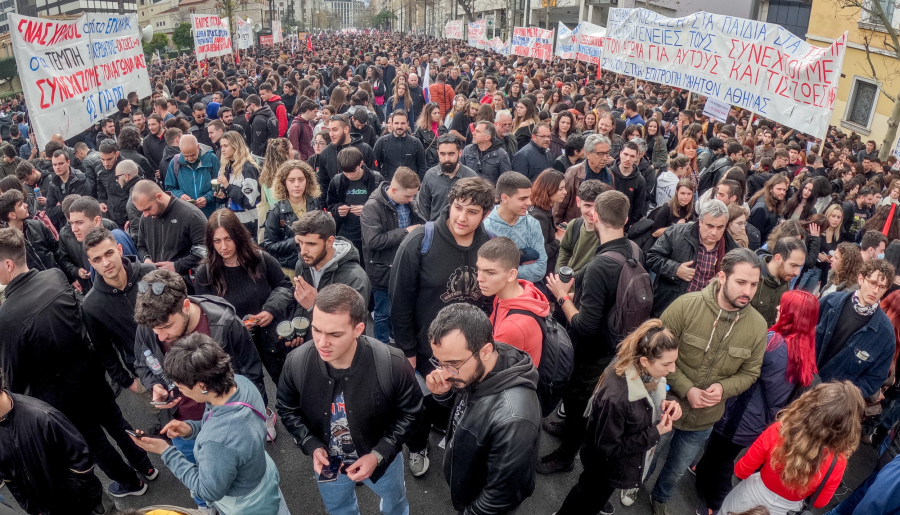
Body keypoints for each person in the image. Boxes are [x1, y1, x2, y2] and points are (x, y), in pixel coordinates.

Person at [0, 227, 156, 499]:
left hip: (60, 396)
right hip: (91, 373)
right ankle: (146, 466)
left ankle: (131, 483)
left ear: (8, 264)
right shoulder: (54, 276)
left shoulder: (6, 317)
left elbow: (14, 377)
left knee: (95, 443)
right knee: (117, 423)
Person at [276, 284, 423, 515]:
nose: (321, 342)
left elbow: (412, 412)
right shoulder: (297, 362)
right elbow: (286, 408)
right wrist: (310, 444)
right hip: (330, 462)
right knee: (339, 509)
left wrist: (380, 453)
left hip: (382, 461)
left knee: (395, 503)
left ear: (358, 329)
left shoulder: (391, 363)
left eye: (334, 334)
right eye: (316, 330)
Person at [648, 248, 767, 515]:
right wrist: (686, 388)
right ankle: (634, 485)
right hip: (665, 406)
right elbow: (654, 351)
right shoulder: (686, 306)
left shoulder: (758, 327)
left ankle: (661, 498)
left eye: (753, 284)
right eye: (741, 282)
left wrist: (724, 388)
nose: (747, 291)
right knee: (649, 455)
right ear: (722, 277)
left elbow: (750, 373)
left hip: (704, 420)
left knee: (677, 469)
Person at [390, 176, 496, 474]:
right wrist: (408, 351)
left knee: (454, 400)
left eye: (472, 212)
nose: (462, 217)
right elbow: (400, 301)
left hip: (467, 352)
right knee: (418, 406)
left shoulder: (488, 245)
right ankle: (417, 446)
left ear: (486, 214)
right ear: (450, 204)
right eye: (458, 207)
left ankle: (444, 430)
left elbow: (489, 298)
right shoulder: (419, 242)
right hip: (425, 351)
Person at [539, 190, 644, 473]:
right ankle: (567, 429)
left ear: (595, 216)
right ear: (625, 219)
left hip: (591, 352)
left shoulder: (601, 265)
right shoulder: (634, 250)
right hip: (615, 343)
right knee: (578, 402)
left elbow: (585, 326)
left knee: (577, 403)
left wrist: (562, 296)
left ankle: (565, 457)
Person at [131, 333, 291, 515]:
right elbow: (227, 427)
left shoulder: (217, 442)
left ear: (202, 386)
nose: (180, 392)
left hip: (247, 504)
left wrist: (166, 451)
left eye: (180, 387)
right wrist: (192, 429)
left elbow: (208, 491)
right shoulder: (241, 383)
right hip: (262, 474)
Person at [424, 303, 541, 514]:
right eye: (439, 363)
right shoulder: (481, 367)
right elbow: (470, 409)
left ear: (486, 351)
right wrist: (444, 393)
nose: (445, 374)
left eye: (453, 364)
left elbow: (499, 498)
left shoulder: (515, 420)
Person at [555, 319, 681, 514]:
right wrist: (655, 432)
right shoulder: (617, 398)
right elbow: (608, 448)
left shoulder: (639, 369)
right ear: (644, 361)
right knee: (586, 496)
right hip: (604, 468)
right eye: (667, 363)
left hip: (613, 467)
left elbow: (656, 389)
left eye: (674, 361)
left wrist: (669, 400)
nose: (673, 369)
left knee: (593, 495)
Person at [718, 382, 864, 515]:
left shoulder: (779, 431)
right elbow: (819, 502)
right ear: (849, 427)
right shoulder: (838, 461)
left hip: (749, 498)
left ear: (810, 405)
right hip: (787, 510)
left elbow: (742, 470)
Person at [195, 209, 294, 394]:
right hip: (236, 346)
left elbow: (285, 286)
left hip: (270, 337)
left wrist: (270, 310)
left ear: (238, 235)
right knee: (250, 392)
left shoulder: (260, 259)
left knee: (287, 386)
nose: (223, 246)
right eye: (217, 241)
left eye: (228, 238)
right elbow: (205, 316)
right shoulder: (206, 272)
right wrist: (233, 327)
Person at [0, 368, 111, 515]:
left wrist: (76, 500)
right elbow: (10, 478)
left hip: (78, 504)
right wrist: (33, 509)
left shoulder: (42, 416)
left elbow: (81, 459)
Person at [361, 166, 425, 344]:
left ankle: (395, 339)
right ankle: (381, 346)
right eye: (408, 196)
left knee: (401, 310)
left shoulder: (407, 201)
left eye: (413, 196)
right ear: (394, 190)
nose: (411, 200)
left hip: (405, 266)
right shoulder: (372, 208)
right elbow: (373, 241)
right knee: (383, 312)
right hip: (383, 270)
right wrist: (406, 232)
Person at [816, 259, 896, 398]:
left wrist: (842, 395)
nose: (876, 290)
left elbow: (873, 380)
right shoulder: (830, 302)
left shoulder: (885, 334)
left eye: (882, 287)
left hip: (832, 402)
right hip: (800, 382)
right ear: (861, 279)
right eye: (872, 283)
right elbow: (803, 333)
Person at [647, 199, 738, 316]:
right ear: (700, 221)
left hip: (706, 313)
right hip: (672, 307)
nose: (714, 232)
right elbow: (652, 257)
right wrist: (675, 270)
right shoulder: (676, 233)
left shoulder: (732, 249)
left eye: (720, 227)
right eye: (710, 226)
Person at [475, 234, 550, 370]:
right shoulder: (512, 294)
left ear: (511, 275)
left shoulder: (512, 327)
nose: (479, 278)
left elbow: (488, 371)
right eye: (479, 269)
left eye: (490, 273)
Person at [290, 209, 371, 326]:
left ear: (329, 242)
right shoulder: (302, 264)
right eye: (300, 242)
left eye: (311, 244)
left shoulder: (355, 278)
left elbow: (353, 326)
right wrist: (297, 328)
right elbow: (301, 303)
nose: (303, 251)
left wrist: (315, 305)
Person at [131, 180, 208, 285]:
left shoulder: (192, 215)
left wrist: (176, 266)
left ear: (159, 197)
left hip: (186, 285)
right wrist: (147, 259)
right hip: (157, 284)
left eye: (148, 209)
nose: (145, 214)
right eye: (142, 211)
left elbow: (204, 251)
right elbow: (141, 246)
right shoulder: (145, 218)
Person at [483, 171, 547, 283]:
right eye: (522, 199)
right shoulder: (486, 227)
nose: (529, 202)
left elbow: (540, 268)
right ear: (505, 198)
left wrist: (503, 272)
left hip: (528, 289)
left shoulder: (532, 224)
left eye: (529, 197)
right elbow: (486, 271)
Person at [263, 160, 321, 276]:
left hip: (315, 266)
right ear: (284, 183)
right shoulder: (275, 211)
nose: (297, 184)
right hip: (289, 270)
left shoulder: (315, 204)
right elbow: (269, 247)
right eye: (291, 180)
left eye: (301, 179)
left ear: (307, 181)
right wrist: (294, 241)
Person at [326, 146, 385, 258]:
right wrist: (337, 210)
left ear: (361, 164)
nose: (350, 176)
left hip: (370, 235)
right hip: (346, 235)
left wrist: (367, 210)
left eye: (353, 171)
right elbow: (330, 205)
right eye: (346, 172)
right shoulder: (337, 181)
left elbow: (385, 207)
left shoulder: (376, 179)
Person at [554, 133, 614, 224]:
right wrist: (558, 226)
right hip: (577, 225)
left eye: (607, 153)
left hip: (600, 224)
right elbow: (560, 204)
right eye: (600, 154)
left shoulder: (609, 174)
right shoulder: (574, 173)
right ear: (588, 154)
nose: (605, 158)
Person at [556, 179, 609, 274]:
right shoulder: (573, 225)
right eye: (588, 205)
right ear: (578, 202)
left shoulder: (608, 231)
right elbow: (565, 250)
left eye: (597, 206)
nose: (592, 212)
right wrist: (560, 273)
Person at [419, 135, 477, 221]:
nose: (446, 159)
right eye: (442, 154)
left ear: (460, 153)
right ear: (438, 153)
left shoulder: (471, 177)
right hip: (435, 227)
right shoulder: (430, 175)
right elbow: (424, 208)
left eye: (451, 154)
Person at [751, 237, 807, 326]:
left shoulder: (786, 277)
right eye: (793, 265)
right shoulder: (752, 277)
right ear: (778, 259)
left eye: (800, 266)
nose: (797, 273)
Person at [0, 189, 59, 272]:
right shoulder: (7, 242)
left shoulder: (37, 225)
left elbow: (56, 251)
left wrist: (67, 275)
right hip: (37, 279)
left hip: (56, 274)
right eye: (20, 204)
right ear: (12, 215)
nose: (26, 205)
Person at [214, 131, 261, 235]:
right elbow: (228, 197)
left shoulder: (248, 168)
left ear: (236, 146)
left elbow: (249, 201)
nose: (222, 149)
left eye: (226, 146)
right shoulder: (225, 167)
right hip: (231, 220)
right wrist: (221, 196)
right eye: (221, 146)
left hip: (248, 222)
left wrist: (228, 186)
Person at [164, 135, 219, 218]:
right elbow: (169, 188)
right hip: (186, 213)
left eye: (193, 155)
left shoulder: (211, 159)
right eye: (186, 156)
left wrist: (207, 197)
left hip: (209, 212)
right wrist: (180, 195)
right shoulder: (175, 163)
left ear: (198, 147)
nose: (190, 159)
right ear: (180, 150)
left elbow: (219, 185)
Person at [528, 169, 567, 278]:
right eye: (560, 189)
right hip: (541, 274)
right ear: (548, 189)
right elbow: (541, 252)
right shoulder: (539, 217)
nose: (565, 192)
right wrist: (558, 240)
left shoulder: (537, 209)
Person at [373, 109, 427, 180]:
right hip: (388, 184)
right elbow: (374, 166)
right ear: (392, 123)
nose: (399, 126)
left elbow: (422, 167)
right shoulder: (382, 142)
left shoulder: (416, 143)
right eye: (396, 123)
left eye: (402, 123)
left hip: (410, 184)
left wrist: (417, 183)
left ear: (407, 123)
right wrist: (382, 181)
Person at [45, 149, 91, 229]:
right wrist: (66, 206)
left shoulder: (80, 180)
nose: (57, 167)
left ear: (68, 162)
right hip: (64, 226)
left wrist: (60, 206)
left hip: (82, 224)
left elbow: (82, 207)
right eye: (54, 165)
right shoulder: (53, 183)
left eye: (61, 163)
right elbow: (49, 212)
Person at [611, 141, 648, 229]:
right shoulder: (609, 174)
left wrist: (632, 224)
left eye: (632, 156)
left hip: (626, 226)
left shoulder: (640, 180)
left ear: (637, 157)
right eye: (625, 154)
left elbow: (639, 207)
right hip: (607, 222)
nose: (628, 159)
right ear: (620, 153)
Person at [748, 174, 789, 244]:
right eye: (779, 189)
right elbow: (755, 237)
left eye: (784, 190)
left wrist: (781, 220)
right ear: (770, 189)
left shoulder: (776, 201)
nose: (782, 192)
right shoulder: (761, 208)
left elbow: (778, 215)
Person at [414, 102, 449, 171]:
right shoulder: (420, 130)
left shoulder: (443, 128)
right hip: (427, 163)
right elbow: (417, 149)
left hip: (442, 161)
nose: (437, 115)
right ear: (428, 114)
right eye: (434, 113)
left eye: (438, 113)